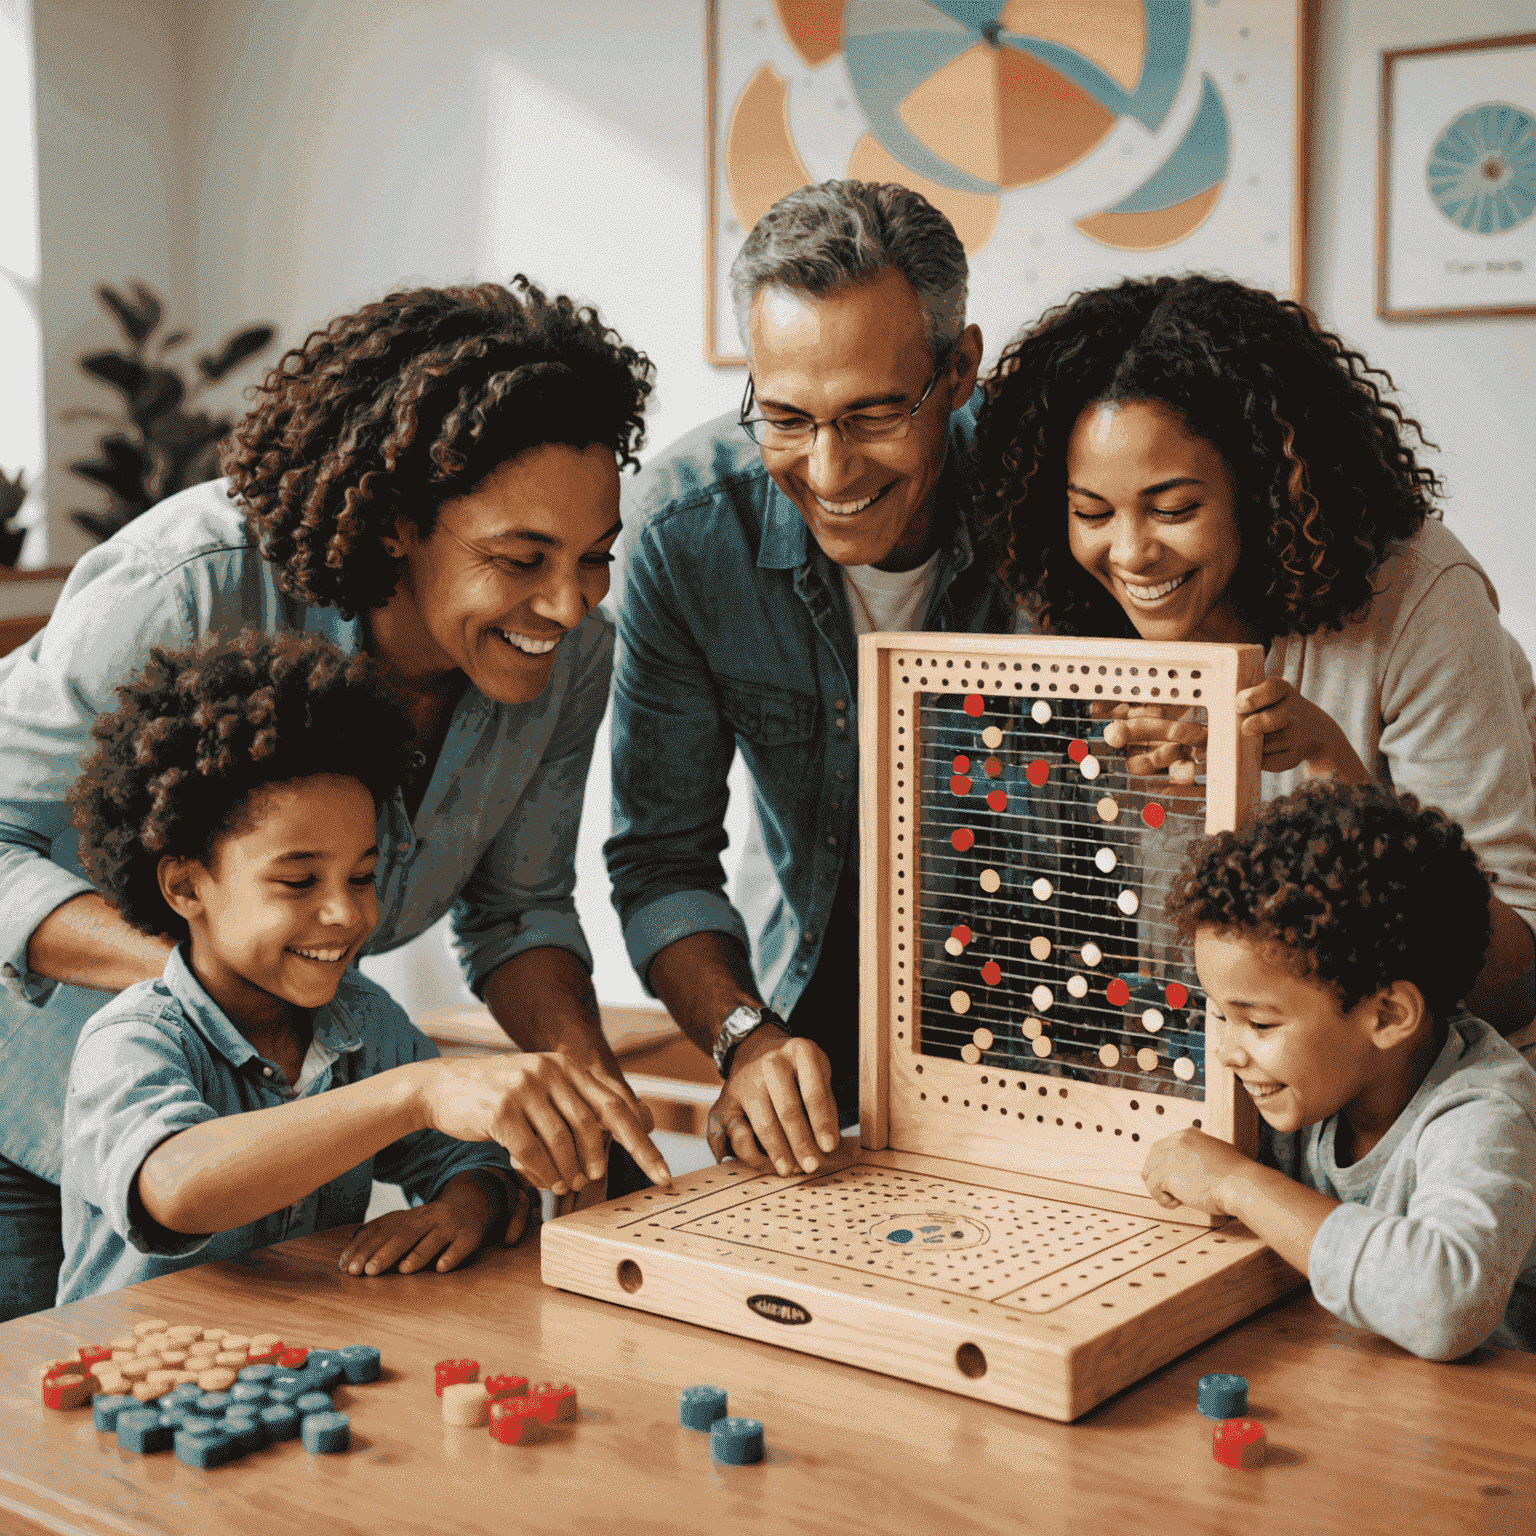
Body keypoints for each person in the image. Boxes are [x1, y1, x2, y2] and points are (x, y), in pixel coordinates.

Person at [0, 278, 670, 1320]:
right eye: (519, 560)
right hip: (30, 1103)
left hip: (291, 1181)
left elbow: (518, 911)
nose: (568, 605)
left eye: (594, 561)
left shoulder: (571, 654)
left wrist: (586, 1105)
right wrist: (218, 984)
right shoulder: (195, 582)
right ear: (401, 523)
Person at [975, 274, 1536, 1036]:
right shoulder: (1073, 621)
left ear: (1264, 486)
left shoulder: (1422, 599)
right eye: (1091, 513)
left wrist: (1333, 777)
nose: (1132, 553)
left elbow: (1513, 978)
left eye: (1174, 509)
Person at [606, 181, 1013, 1182]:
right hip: (807, 1014)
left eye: (874, 414)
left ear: (959, 371)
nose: (829, 469)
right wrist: (744, 1035)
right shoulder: (687, 529)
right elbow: (660, 860)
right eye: (786, 417)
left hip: (1049, 1021)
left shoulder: (1057, 501)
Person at [60, 632, 662, 1302]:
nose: (345, 914)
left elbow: (471, 1158)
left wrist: (468, 1204)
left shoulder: (364, 1021)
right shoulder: (133, 1040)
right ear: (184, 887)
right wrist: (415, 1093)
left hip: (292, 1370)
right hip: (124, 1386)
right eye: (297, 882)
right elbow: (177, 1186)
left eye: (363, 876)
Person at [1142, 779, 1536, 1358]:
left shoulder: (1486, 1114)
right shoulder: (1312, 1083)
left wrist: (1235, 1183)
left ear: (1387, 1015)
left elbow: (1444, 1303)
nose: (1227, 1049)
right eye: (1219, 1014)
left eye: (1260, 1023)